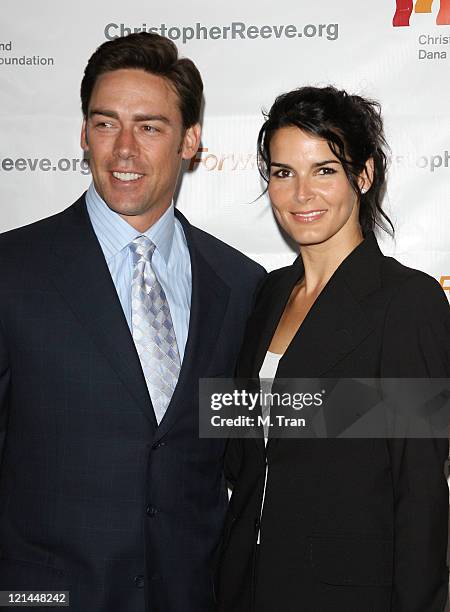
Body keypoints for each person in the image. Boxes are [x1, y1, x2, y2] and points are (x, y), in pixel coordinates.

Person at [0, 32, 265, 612]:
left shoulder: (242, 284)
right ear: (83, 134)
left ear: (189, 141)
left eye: (149, 126)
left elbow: (247, 453)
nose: (123, 148)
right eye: (104, 123)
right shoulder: (11, 270)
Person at [216, 86, 450, 611]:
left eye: (324, 170)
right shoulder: (267, 293)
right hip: (244, 585)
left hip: (347, 595)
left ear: (362, 176)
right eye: (283, 172)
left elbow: (422, 494)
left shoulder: (408, 301)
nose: (302, 194)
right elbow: (242, 451)